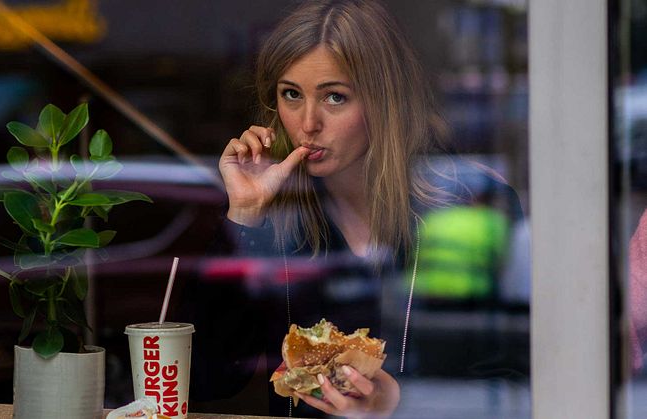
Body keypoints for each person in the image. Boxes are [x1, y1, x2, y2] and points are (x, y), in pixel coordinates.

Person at [191, 0, 525, 417]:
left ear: (385, 101)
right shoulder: (276, 213)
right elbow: (206, 379)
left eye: (335, 97)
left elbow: (518, 380)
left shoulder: (467, 201)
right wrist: (243, 215)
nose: (308, 122)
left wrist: (399, 402)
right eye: (291, 94)